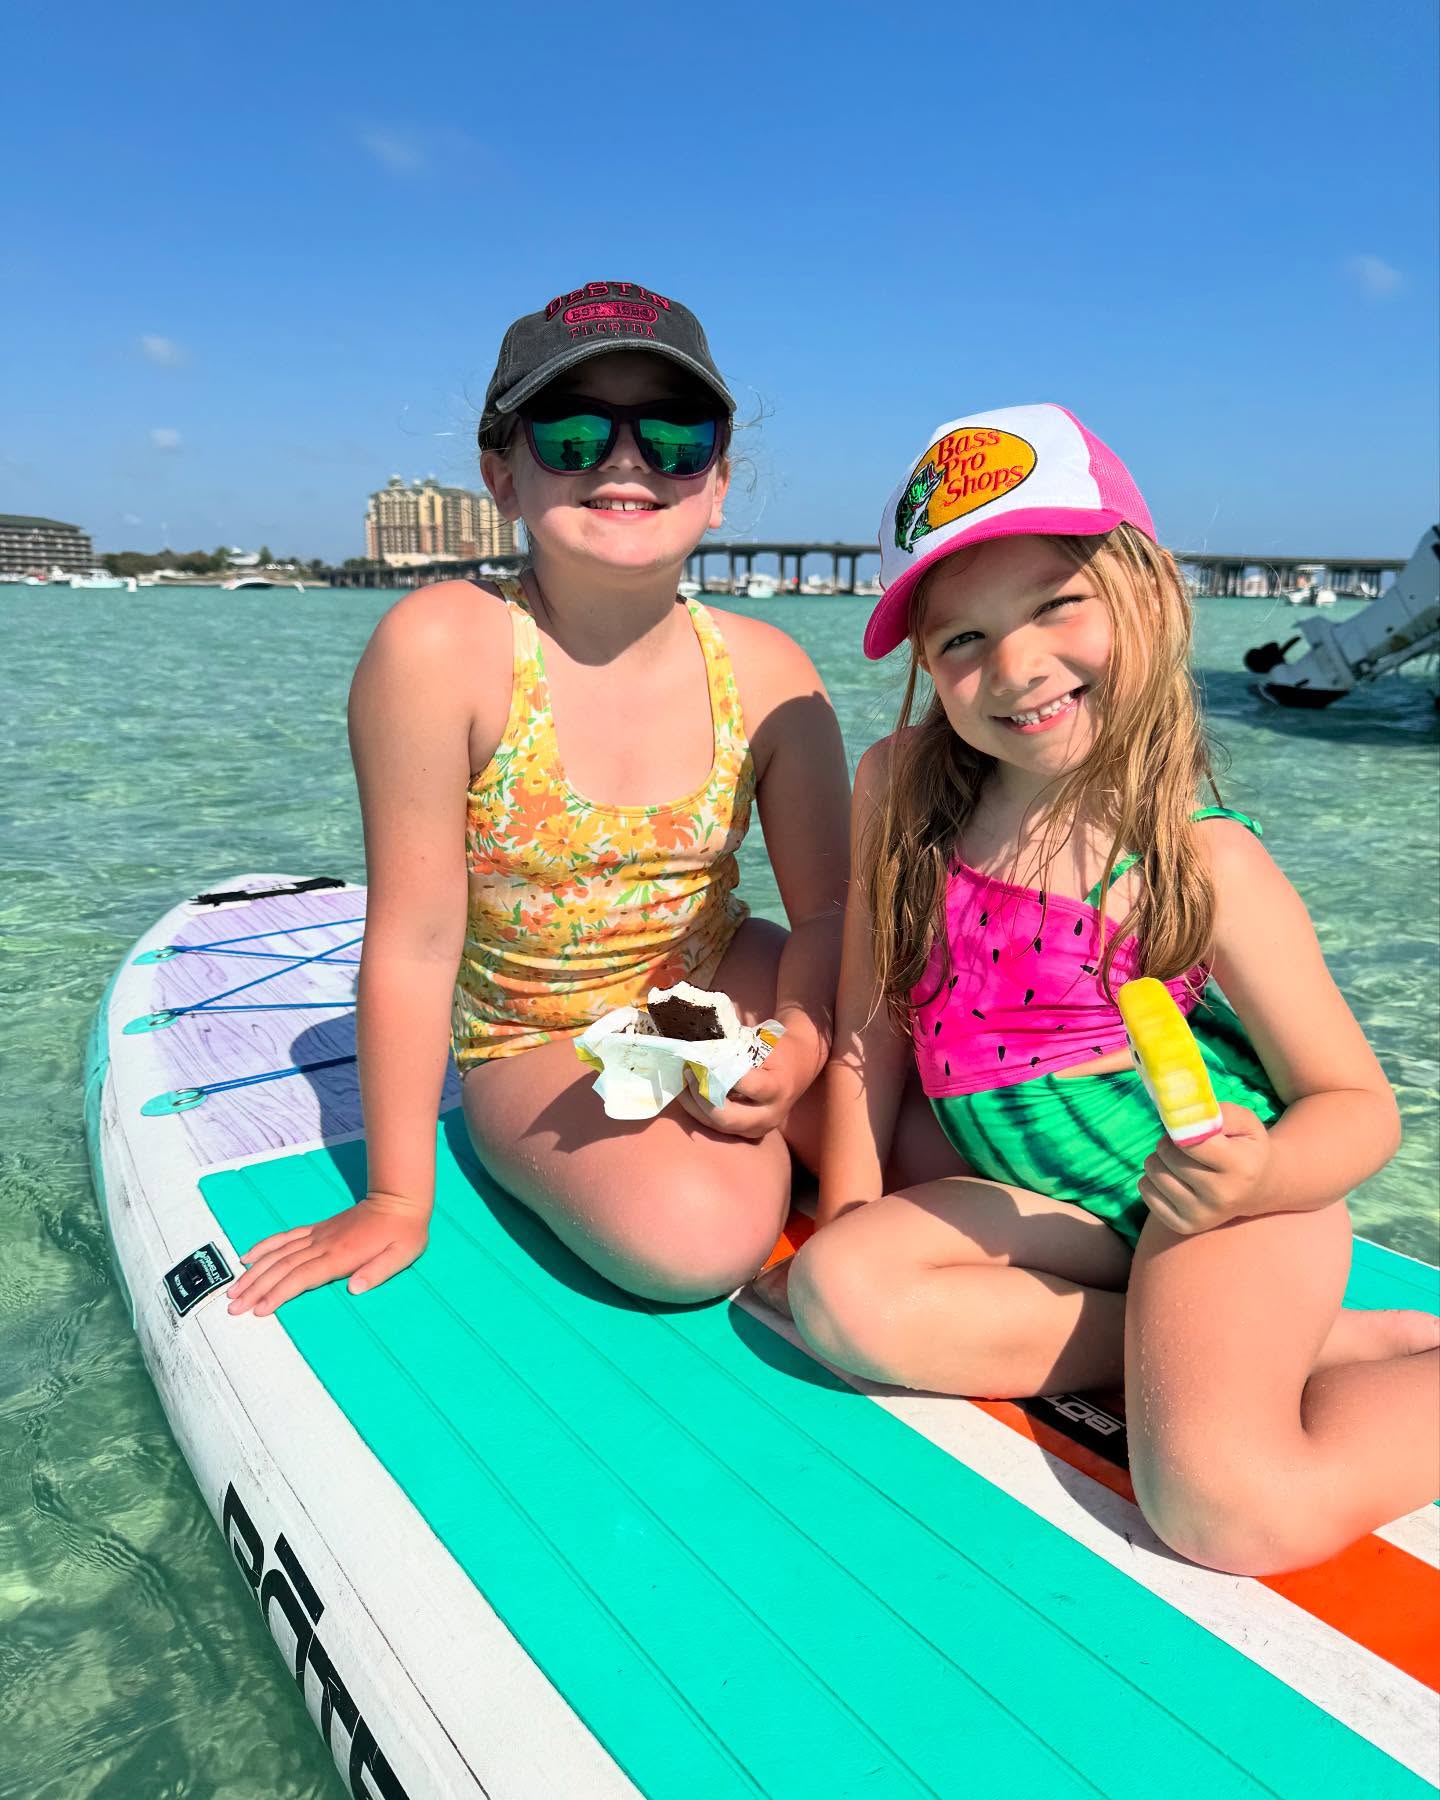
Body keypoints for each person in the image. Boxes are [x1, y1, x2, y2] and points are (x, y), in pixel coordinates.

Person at [764, 403, 1439, 1576]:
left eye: (1055, 604)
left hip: (1216, 1212)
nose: (1014, 666)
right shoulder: (901, 786)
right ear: (924, 660)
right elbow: (873, 1018)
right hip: (1049, 1207)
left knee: (1228, 1509)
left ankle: (1255, 1342)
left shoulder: (1198, 856)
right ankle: (1274, 1347)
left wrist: (1264, 1172)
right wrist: (854, 1202)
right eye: (960, 640)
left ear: (1148, 593)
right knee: (839, 1297)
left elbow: (1355, 1106)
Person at [228, 280, 852, 1315]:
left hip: (714, 969)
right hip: (534, 1027)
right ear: (501, 475)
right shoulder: (442, 649)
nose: (624, 461)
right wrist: (393, 1196)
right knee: (702, 1238)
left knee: (931, 1113)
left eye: (674, 435)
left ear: (720, 481)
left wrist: (805, 1043)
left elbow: (831, 914)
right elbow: (417, 943)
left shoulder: (774, 669)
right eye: (569, 435)